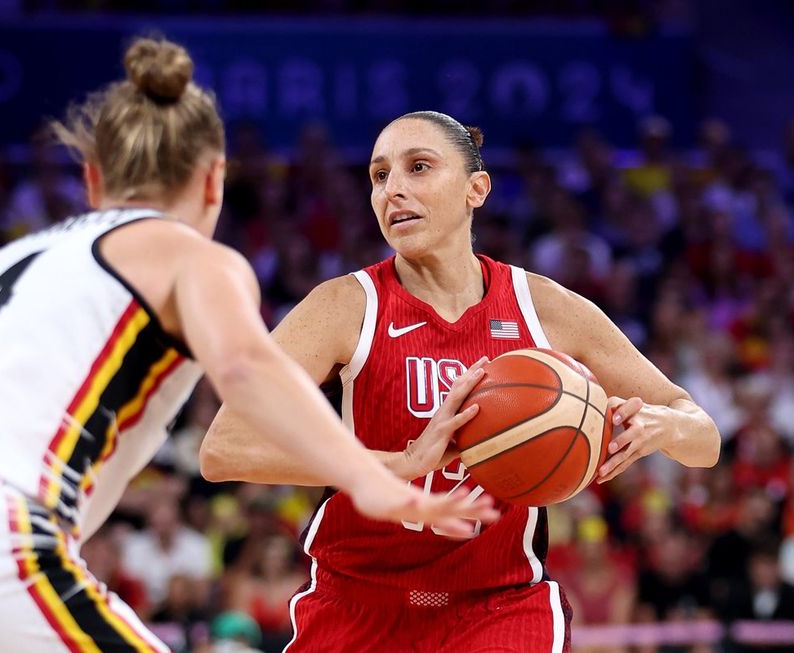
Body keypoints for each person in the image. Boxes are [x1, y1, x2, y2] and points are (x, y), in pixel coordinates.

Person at [0, 41, 496, 653]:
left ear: (93, 179)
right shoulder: (191, 256)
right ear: (213, 180)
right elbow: (246, 369)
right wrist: (375, 480)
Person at [201, 110, 721, 652]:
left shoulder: (543, 307)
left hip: (500, 607)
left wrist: (661, 426)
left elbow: (703, 436)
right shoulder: (344, 306)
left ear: (477, 189)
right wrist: (398, 463)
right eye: (380, 177)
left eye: (418, 167)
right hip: (358, 605)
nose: (393, 190)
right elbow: (225, 449)